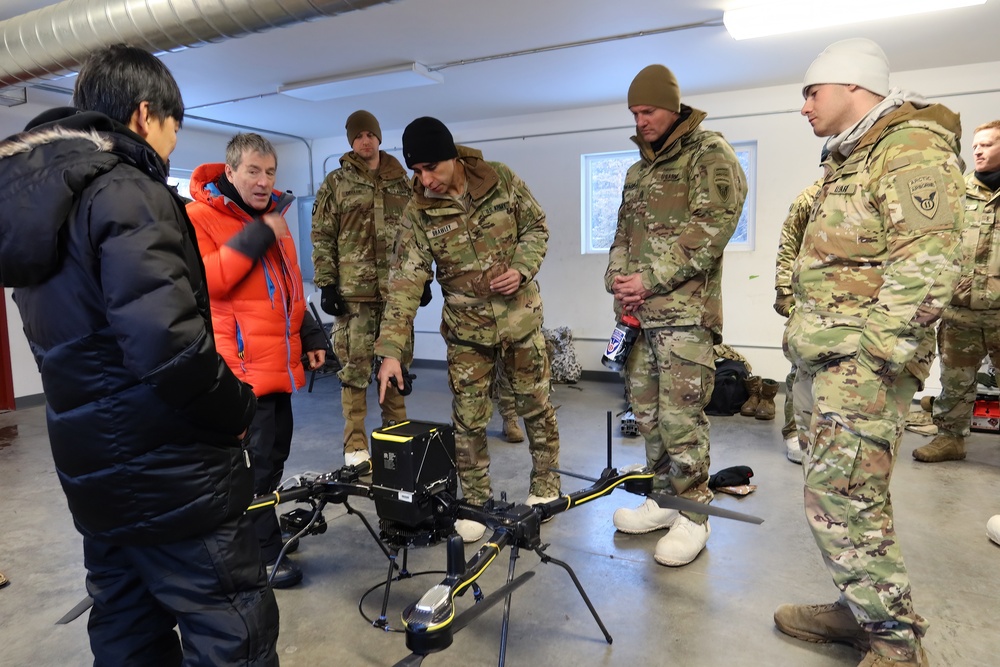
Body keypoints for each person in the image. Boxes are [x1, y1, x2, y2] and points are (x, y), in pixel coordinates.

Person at [0, 45, 278, 664]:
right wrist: (235, 405)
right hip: (172, 475)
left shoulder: (38, 209)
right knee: (230, 631)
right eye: (174, 126)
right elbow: (167, 346)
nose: (173, 142)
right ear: (144, 113)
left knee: (127, 632)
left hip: (93, 471)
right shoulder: (127, 191)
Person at [775, 38, 965, 667]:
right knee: (849, 495)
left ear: (853, 87)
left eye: (811, 91)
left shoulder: (908, 149)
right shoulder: (852, 156)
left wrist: (874, 360)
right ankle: (862, 607)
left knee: (843, 495)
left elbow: (929, 265)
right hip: (829, 359)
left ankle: (892, 642)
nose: (803, 106)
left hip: (860, 366)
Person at [375, 116, 561, 543]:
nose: (426, 180)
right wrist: (389, 351)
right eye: (416, 172)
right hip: (466, 333)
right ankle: (475, 502)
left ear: (454, 157)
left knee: (536, 407)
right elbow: (404, 282)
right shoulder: (418, 211)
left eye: (432, 168)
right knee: (469, 420)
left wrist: (521, 268)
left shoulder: (500, 179)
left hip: (520, 322)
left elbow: (536, 227)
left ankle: (545, 489)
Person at [605, 64, 747, 567]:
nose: (639, 120)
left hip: (685, 319)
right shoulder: (637, 171)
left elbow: (713, 227)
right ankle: (663, 501)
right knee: (646, 416)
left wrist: (649, 278)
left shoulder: (710, 155)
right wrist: (619, 282)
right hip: (638, 319)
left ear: (673, 107)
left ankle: (694, 514)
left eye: (647, 111)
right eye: (634, 113)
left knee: (681, 418)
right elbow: (621, 237)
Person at [187, 132, 327, 589]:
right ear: (229, 171)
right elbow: (212, 282)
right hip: (241, 369)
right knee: (254, 464)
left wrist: (309, 332)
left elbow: (290, 287)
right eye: (253, 170)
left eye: (270, 172)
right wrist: (259, 232)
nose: (264, 180)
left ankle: (263, 529)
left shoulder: (271, 219)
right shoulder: (199, 218)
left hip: (279, 364)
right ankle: (260, 555)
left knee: (273, 455)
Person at [312, 110, 420, 467]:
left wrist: (425, 279)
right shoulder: (336, 183)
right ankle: (355, 447)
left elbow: (417, 235)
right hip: (353, 296)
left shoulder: (402, 181)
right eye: (357, 136)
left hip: (396, 295)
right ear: (351, 142)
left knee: (396, 366)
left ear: (378, 137)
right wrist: (327, 284)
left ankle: (397, 435)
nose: (364, 140)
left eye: (369, 134)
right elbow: (323, 236)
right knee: (354, 371)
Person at [912, 120, 1000, 463]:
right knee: (955, 381)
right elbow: (931, 245)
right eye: (975, 145)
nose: (977, 150)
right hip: (959, 310)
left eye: (987, 144)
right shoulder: (955, 194)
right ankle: (951, 438)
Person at [773, 178, 823, 464]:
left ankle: (824, 433)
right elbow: (787, 245)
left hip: (848, 303)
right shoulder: (809, 198)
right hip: (808, 300)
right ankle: (794, 432)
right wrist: (784, 291)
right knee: (800, 366)